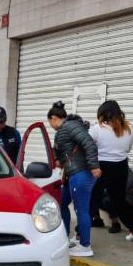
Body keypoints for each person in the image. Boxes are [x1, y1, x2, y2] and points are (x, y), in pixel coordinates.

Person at [47, 101, 101, 257]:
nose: (51, 125)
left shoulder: (70, 126)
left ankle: (85, 245)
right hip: (74, 174)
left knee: (81, 210)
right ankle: (64, 237)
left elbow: (89, 144)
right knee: (63, 202)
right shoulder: (69, 128)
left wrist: (94, 166)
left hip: (82, 173)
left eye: (50, 122)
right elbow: (66, 156)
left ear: (54, 118)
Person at [88, 100, 133, 242]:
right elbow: (128, 149)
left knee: (91, 199)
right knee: (119, 201)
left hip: (101, 167)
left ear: (102, 114)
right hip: (121, 167)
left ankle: (80, 234)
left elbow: (87, 146)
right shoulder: (127, 129)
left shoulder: (97, 129)